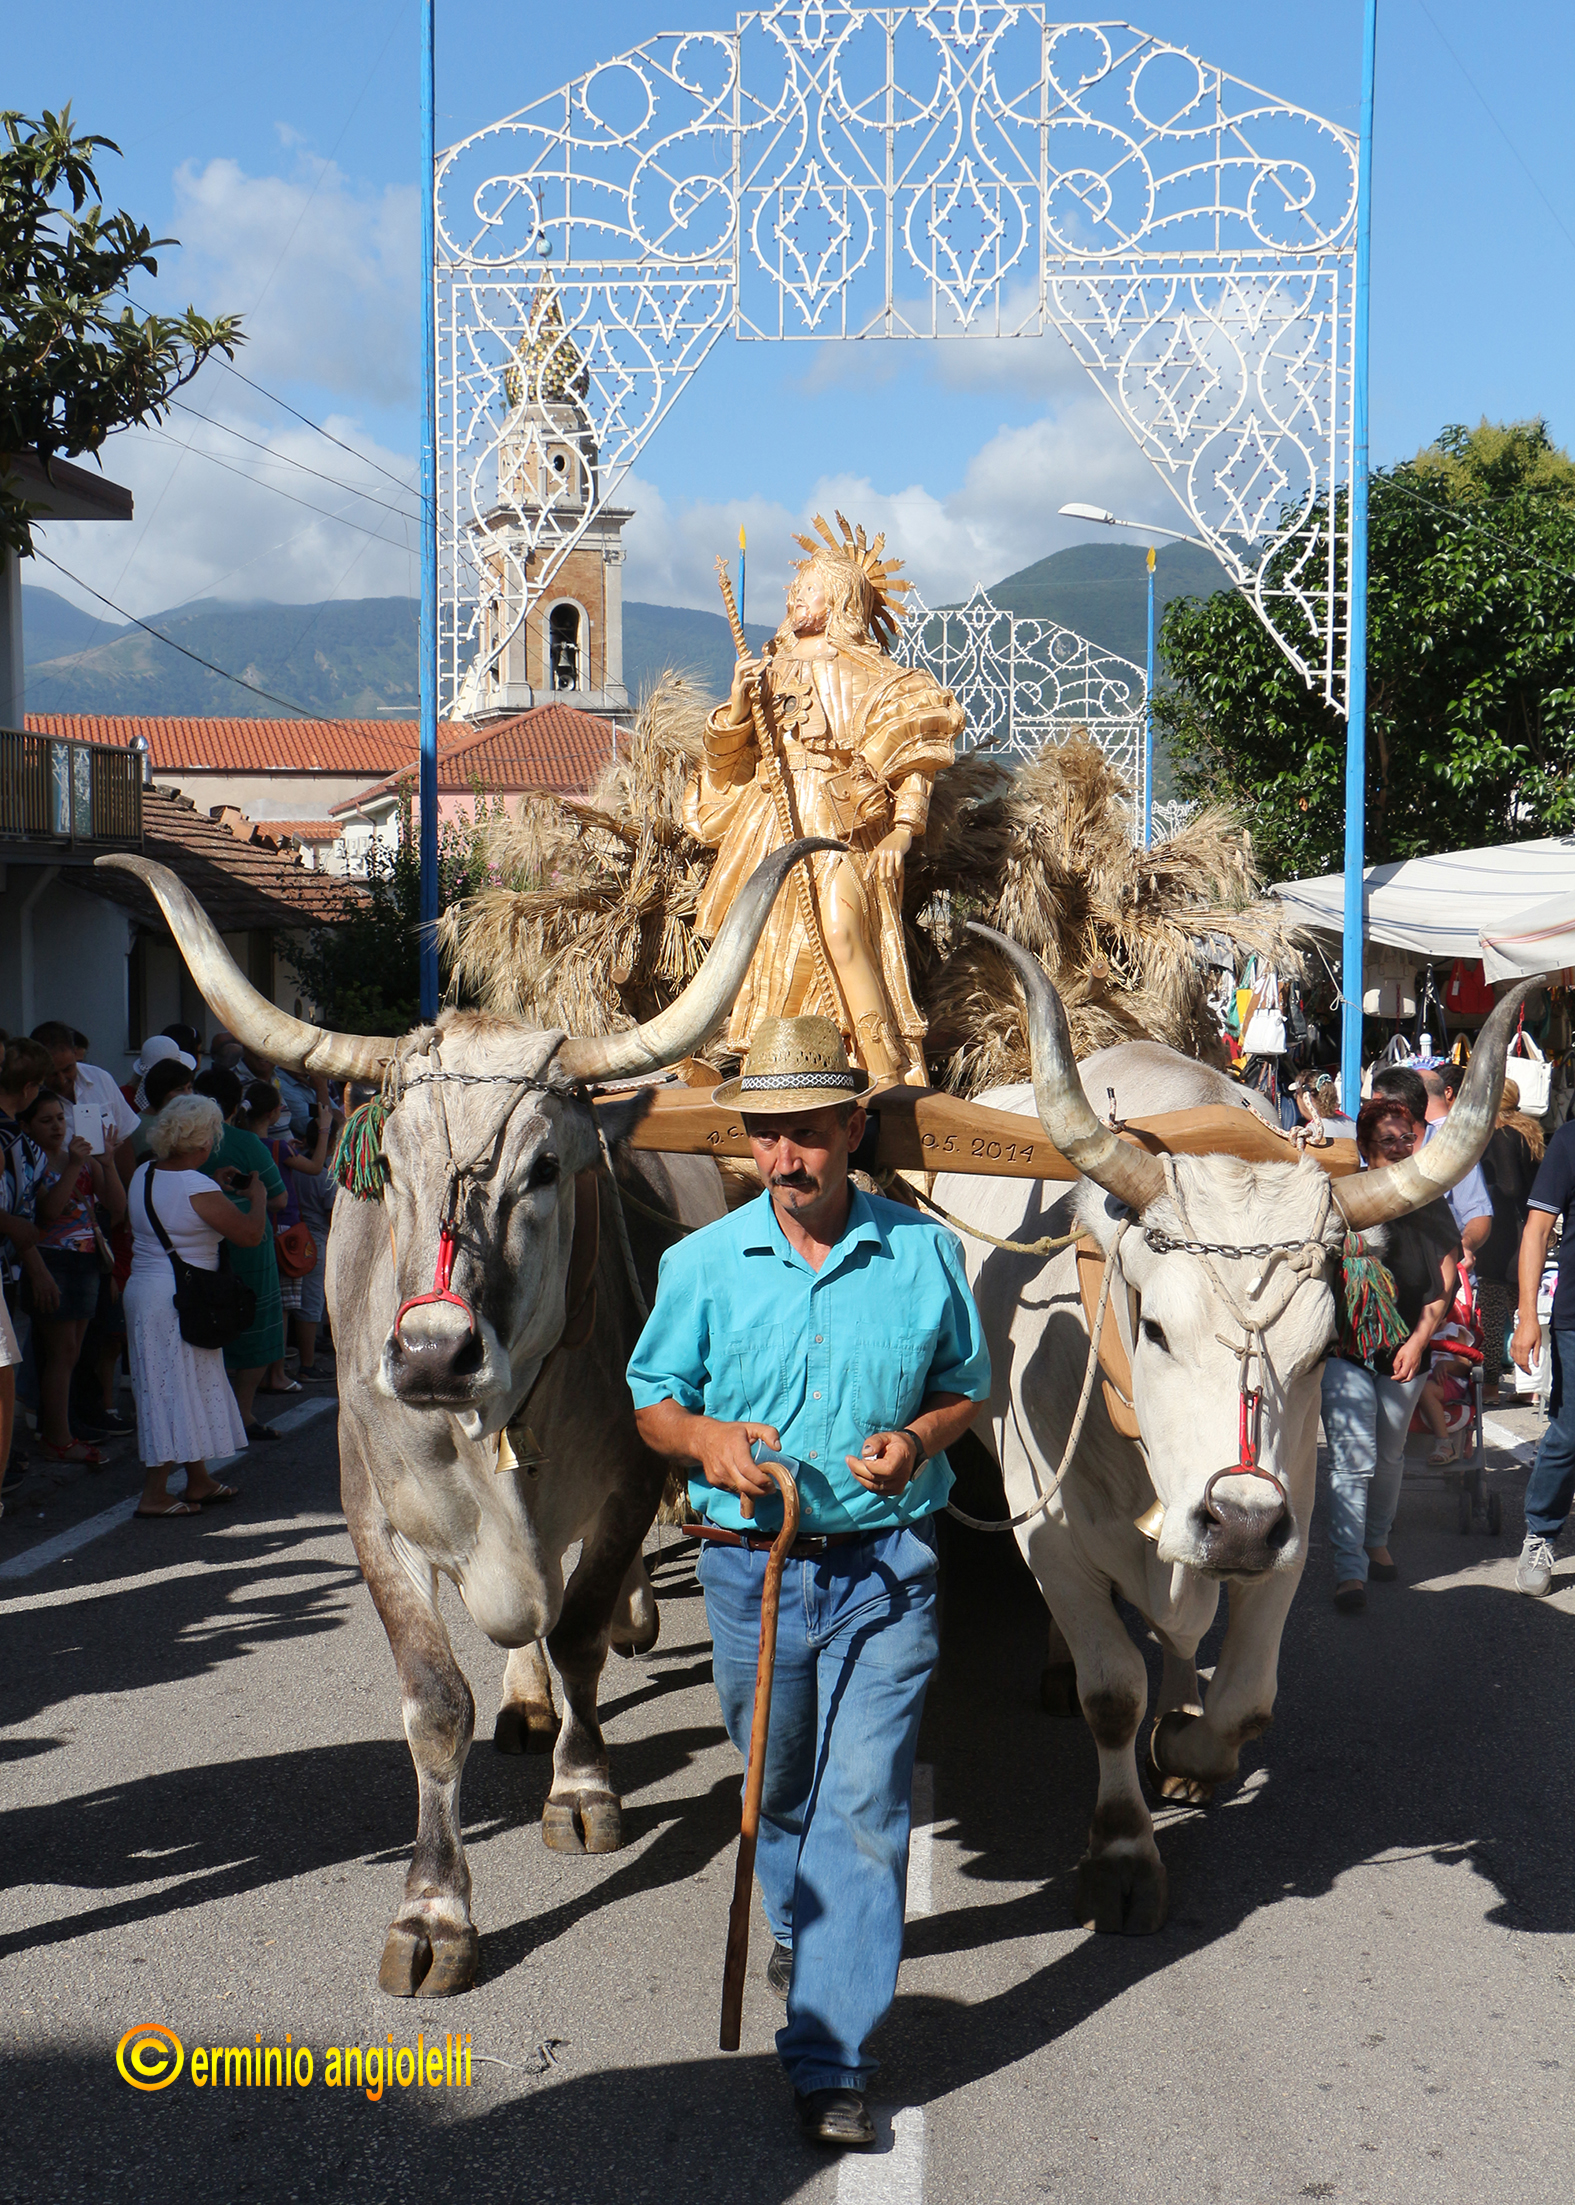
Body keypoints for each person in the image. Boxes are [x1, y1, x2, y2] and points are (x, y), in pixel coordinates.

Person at [628, 1016, 990, 2150]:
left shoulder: (924, 1253)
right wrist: (706, 1444)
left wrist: (920, 1441)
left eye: (808, 1133)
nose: (788, 1158)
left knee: (864, 1804)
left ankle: (829, 2054)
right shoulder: (699, 1265)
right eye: (768, 1137)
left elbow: (964, 1388)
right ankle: (795, 1915)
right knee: (777, 1782)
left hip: (889, 1569)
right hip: (753, 1571)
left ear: (852, 1129)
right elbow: (653, 1402)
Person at [684, 517, 964, 1081]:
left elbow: (915, 763)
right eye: (793, 587)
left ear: (838, 600)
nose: (793, 595)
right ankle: (774, 1072)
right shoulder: (764, 668)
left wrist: (902, 830)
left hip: (840, 827)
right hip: (772, 824)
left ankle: (885, 1072)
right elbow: (728, 763)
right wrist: (739, 703)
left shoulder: (882, 680)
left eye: (807, 587)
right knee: (771, 951)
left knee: (840, 930)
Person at [1320, 1095, 1459, 1612]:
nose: (1401, 1147)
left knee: (1390, 1455)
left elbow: (1443, 1284)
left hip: (1409, 1349)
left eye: (1408, 1137)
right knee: (1353, 1462)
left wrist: (1419, 1341)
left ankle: (1376, 1540)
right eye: (1389, 1140)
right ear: (1364, 1147)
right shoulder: (1340, 1198)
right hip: (1347, 1348)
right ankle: (1349, 1568)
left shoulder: (1429, 1198)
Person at [125, 1093, 262, 1517]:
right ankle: (154, 1494)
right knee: (173, 1390)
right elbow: (248, 1234)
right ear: (205, 1142)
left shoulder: (145, 1171)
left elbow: (177, 1212)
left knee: (175, 1385)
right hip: (181, 1297)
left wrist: (215, 1184)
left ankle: (198, 1479)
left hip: (148, 1290)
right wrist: (255, 1194)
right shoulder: (196, 1186)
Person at [20, 1087, 126, 1466]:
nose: (57, 1127)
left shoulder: (77, 1157)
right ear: (27, 1125)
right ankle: (57, 1436)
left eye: (60, 1119)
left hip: (85, 1261)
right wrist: (73, 1166)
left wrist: (107, 1162)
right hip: (53, 1260)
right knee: (61, 1353)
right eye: (46, 1121)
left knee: (74, 1351)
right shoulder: (32, 1160)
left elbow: (116, 1205)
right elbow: (47, 1213)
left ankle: (62, 1429)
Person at [194, 1068, 288, 1440]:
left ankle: (207, 1414)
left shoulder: (180, 1144)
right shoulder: (246, 1143)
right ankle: (242, 1414)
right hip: (247, 1247)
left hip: (197, 1246)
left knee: (203, 1326)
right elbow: (278, 1197)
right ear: (235, 1106)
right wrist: (252, 1196)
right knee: (255, 1327)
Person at [1509, 1103, 1575, 1594]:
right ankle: (1541, 1533)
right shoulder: (1569, 1141)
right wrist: (1527, 1317)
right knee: (1571, 1432)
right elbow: (1535, 1231)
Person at [0, 1038, 56, 1502]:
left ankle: (11, 1453)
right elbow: (18, 1215)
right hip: (4, 1270)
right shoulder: (7, 1138)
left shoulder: (16, 1136)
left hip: (11, 1267)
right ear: (30, 1087)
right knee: (4, 1376)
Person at [1478, 1076, 1539, 1402]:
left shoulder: (1500, 1135)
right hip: (1527, 1230)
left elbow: (1511, 1185)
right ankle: (1528, 1384)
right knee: (1524, 1310)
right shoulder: (1530, 1132)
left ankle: (1489, 1386)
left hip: (1502, 1234)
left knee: (1490, 1312)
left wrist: (1486, 1194)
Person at [30, 1020, 139, 1182]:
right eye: (52, 1074)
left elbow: (123, 1138)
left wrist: (130, 1195)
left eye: (68, 1069)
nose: (62, 1080)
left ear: (75, 1053)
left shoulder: (100, 1078)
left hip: (112, 1195)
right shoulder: (30, 1097)